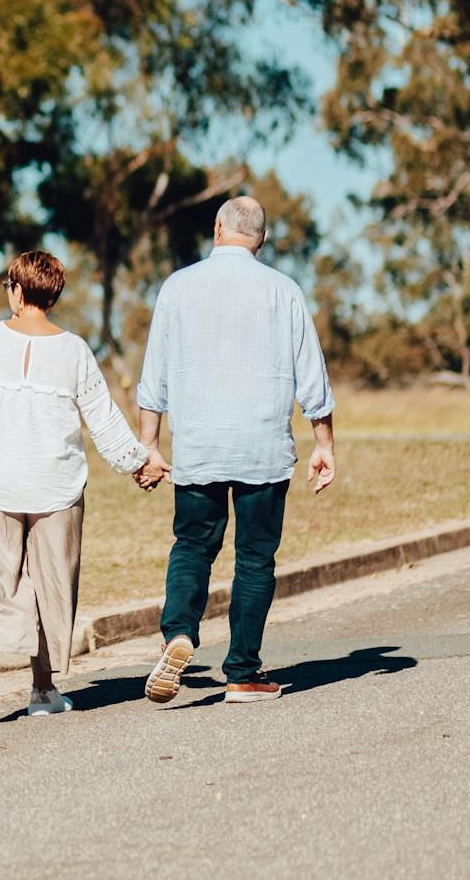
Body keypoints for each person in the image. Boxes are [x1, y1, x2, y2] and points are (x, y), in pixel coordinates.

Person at [137, 196, 335, 706]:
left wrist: (149, 446)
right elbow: (312, 376)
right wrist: (324, 444)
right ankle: (243, 674)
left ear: (217, 228)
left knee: (193, 546)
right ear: (262, 239)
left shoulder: (177, 287)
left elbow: (154, 377)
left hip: (199, 444)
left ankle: (179, 633)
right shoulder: (283, 290)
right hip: (263, 447)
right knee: (254, 560)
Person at [0, 250, 165, 723]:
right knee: (52, 583)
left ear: (16, 288)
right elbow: (103, 419)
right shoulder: (73, 349)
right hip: (54, 483)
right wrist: (138, 462)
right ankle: (43, 690)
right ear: (53, 294)